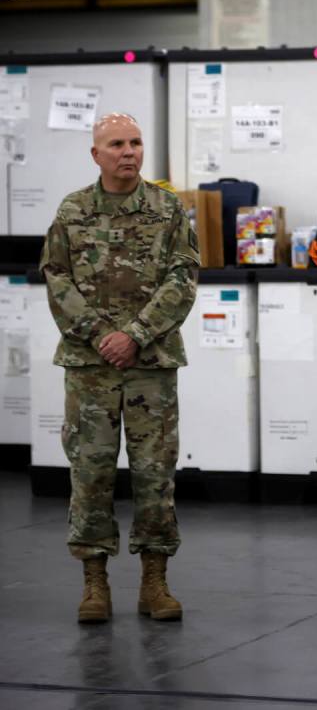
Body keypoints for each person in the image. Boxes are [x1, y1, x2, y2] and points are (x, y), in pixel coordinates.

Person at [40, 112, 199, 624]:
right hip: (90, 367)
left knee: (155, 475)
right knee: (90, 474)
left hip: (150, 363)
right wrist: (98, 335)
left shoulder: (166, 208)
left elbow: (184, 276)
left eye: (134, 142)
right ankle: (94, 583)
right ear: (96, 154)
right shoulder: (73, 210)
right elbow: (56, 277)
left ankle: (155, 581)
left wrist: (133, 335)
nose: (128, 152)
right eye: (116, 144)